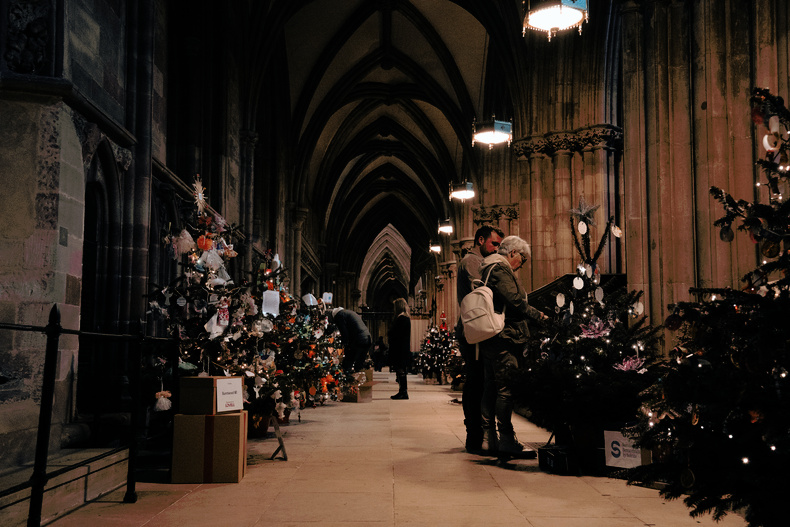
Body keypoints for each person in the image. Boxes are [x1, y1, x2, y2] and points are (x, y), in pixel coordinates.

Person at [479, 235, 549, 456]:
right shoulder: (500, 269)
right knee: (505, 390)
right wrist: (538, 315)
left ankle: (489, 438)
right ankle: (506, 439)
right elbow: (515, 301)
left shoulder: (491, 267)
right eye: (523, 259)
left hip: (495, 337)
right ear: (513, 253)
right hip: (504, 338)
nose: (522, 265)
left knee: (492, 387)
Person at [455, 224, 504, 452]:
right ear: (481, 240)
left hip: (476, 329)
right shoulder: (472, 261)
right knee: (475, 382)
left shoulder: (480, 260)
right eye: (494, 244)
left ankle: (478, 435)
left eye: (500, 246)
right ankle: (473, 435)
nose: (497, 249)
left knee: (479, 381)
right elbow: (483, 290)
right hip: (473, 330)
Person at [330, 307, 373, 373]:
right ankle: (357, 379)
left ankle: (347, 378)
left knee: (348, 361)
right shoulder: (348, 312)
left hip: (359, 339)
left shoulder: (339, 315)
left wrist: (344, 345)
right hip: (367, 338)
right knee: (359, 364)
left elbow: (344, 332)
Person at [388, 298, 411, 400]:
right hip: (402, 348)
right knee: (401, 370)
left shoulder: (401, 319)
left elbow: (396, 335)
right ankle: (402, 391)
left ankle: (403, 392)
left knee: (401, 370)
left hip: (399, 349)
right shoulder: (405, 318)